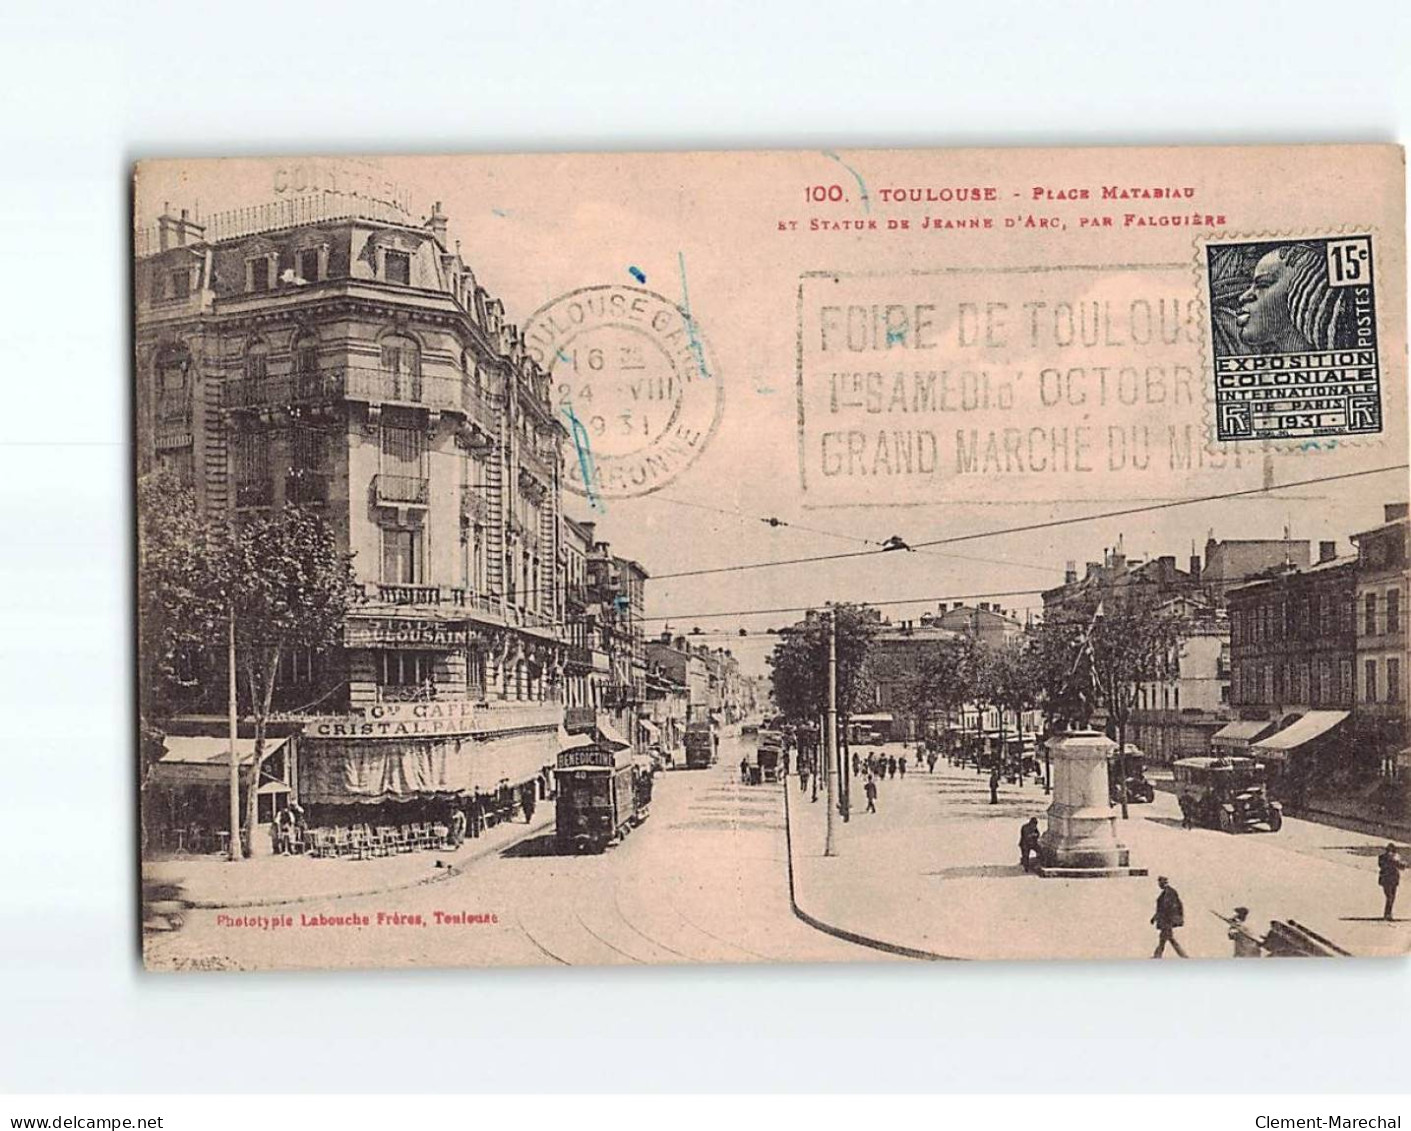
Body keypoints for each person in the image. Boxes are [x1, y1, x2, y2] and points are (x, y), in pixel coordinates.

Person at [1151, 876, 1188, 958]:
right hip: (1166, 921)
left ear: (1163, 882)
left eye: (1159, 883)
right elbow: (1161, 908)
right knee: (1167, 938)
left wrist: (1157, 917)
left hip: (1167, 920)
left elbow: (1167, 908)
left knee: (1165, 939)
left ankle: (1157, 956)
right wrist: (1155, 917)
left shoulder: (1170, 893)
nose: (1158, 885)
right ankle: (1183, 956)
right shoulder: (1166, 893)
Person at [1378, 843, 1406, 921]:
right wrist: (1392, 861)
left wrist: (1400, 863)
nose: (1390, 852)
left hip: (1394, 879)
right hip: (1386, 879)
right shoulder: (1382, 857)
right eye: (1388, 850)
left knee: (1392, 897)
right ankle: (1387, 914)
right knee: (1389, 897)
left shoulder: (1397, 857)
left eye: (1391, 850)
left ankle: (1388, 913)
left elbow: (1401, 867)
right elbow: (1381, 865)